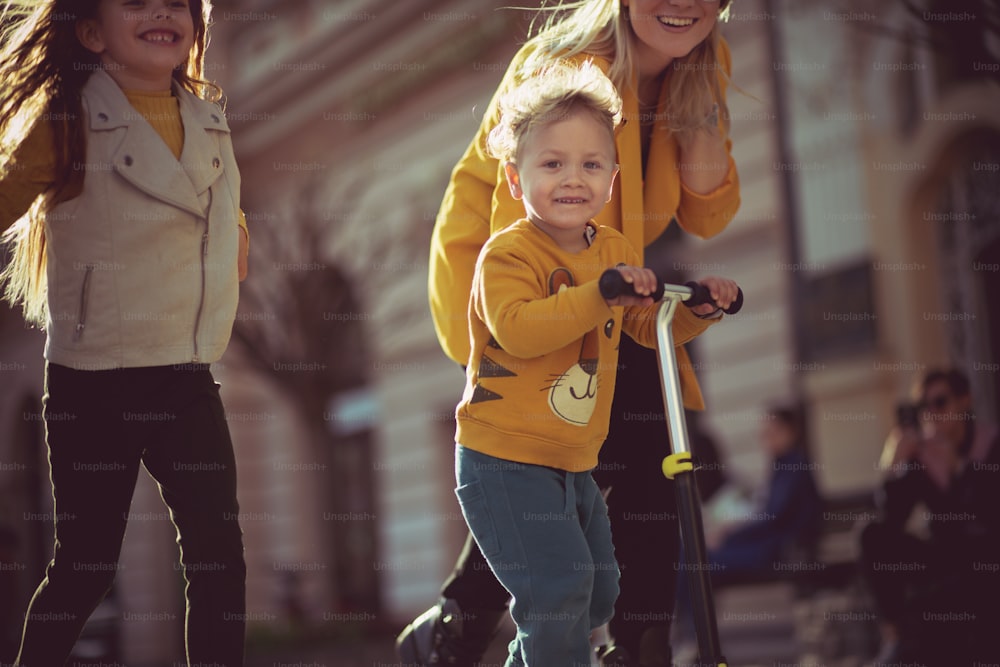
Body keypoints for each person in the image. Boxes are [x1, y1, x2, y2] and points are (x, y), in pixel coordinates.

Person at [404, 0, 740, 665]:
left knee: (644, 438)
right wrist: (595, 292)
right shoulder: (561, 69)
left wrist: (697, 104)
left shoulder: (704, 62)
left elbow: (706, 208)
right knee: (559, 443)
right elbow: (523, 226)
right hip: (511, 268)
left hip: (610, 270)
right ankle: (460, 629)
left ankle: (640, 643)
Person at [0, 1, 249, 665]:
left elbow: (224, 208)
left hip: (186, 373)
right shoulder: (68, 120)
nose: (162, 13)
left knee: (219, 559)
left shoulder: (209, 117)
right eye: (136, 3)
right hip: (94, 381)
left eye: (177, 4)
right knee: (85, 565)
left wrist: (236, 246)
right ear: (90, 31)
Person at [861, 369, 1000, 667]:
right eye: (925, 407)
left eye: (941, 402)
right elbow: (891, 520)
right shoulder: (924, 454)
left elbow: (988, 518)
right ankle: (894, 636)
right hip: (943, 555)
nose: (933, 414)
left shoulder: (990, 446)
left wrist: (960, 471)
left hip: (985, 558)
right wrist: (894, 464)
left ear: (965, 401)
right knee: (870, 533)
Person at [672, 405, 822, 652]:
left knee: (694, 561)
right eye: (765, 432)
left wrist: (729, 533)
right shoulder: (783, 466)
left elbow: (773, 518)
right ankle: (694, 635)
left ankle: (693, 638)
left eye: (773, 431)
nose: (766, 438)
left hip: (780, 550)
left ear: (790, 431)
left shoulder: (794, 466)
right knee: (689, 555)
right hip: (770, 545)